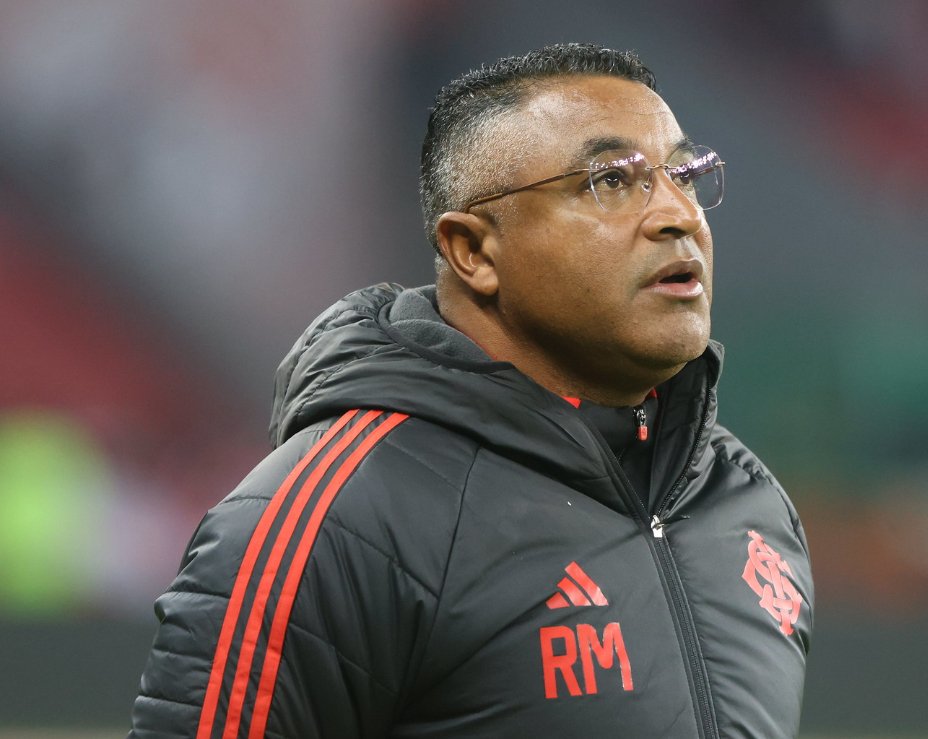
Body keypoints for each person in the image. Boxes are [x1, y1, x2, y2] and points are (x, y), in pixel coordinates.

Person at [129, 42, 813, 738]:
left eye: (685, 174)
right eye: (610, 180)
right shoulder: (339, 519)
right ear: (474, 251)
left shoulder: (746, 501)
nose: (679, 216)